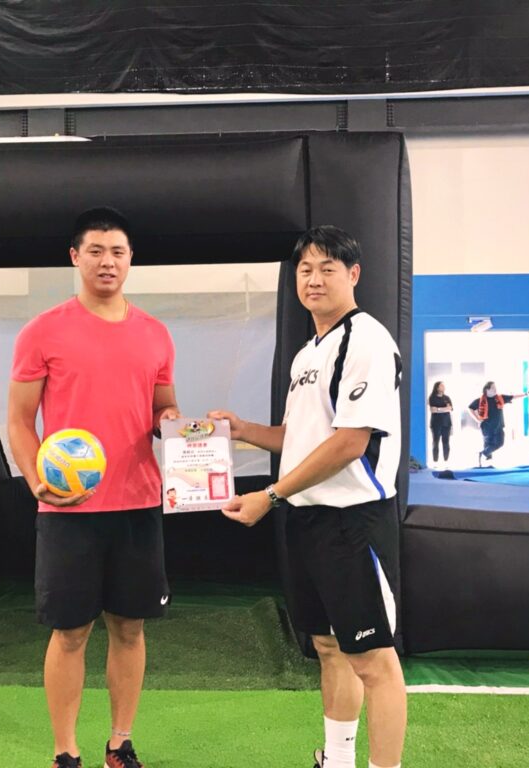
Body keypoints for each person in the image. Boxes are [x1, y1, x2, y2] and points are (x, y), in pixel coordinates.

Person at [209, 225, 406, 768]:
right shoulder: (306, 354)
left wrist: (269, 495)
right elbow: (300, 439)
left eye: (327, 269)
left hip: (352, 523)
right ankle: (337, 760)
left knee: (373, 660)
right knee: (328, 647)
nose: (314, 279)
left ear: (353, 274)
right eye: (305, 269)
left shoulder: (366, 340)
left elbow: (349, 443)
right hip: (305, 520)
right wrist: (245, 430)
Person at [7, 207, 180, 768]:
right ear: (75, 257)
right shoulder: (42, 332)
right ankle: (65, 751)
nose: (108, 262)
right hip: (68, 510)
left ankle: (119, 742)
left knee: (129, 629)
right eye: (97, 251)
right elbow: (19, 421)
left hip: (138, 504)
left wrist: (179, 427)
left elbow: (163, 408)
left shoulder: (155, 333)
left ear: (130, 260)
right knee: (70, 633)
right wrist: (37, 481)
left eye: (118, 252)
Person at [468, 381, 528, 466]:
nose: (495, 389)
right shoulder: (480, 400)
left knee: (499, 443)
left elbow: (513, 397)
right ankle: (486, 465)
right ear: (487, 390)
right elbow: (470, 408)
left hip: (498, 426)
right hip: (486, 427)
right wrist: (477, 419)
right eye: (493, 387)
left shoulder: (500, 398)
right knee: (488, 445)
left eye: (495, 387)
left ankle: (482, 454)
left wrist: (525, 394)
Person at [427, 381, 453, 467]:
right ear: (437, 387)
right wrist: (444, 409)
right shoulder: (432, 397)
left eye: (443, 386)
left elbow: (450, 408)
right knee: (435, 442)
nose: (443, 387)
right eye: (441, 386)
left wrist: (438, 409)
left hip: (446, 423)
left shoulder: (447, 398)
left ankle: (446, 461)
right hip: (436, 423)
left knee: (446, 442)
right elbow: (433, 410)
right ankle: (435, 461)